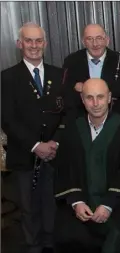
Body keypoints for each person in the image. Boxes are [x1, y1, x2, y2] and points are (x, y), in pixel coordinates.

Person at [1, 22, 68, 253]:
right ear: (20, 44)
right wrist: (35, 145)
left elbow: (67, 113)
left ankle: (51, 243)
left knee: (52, 202)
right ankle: (33, 246)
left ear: (45, 44)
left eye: (38, 40)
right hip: (25, 154)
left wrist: (55, 142)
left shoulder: (59, 74)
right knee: (28, 206)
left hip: (55, 154)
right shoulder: (7, 77)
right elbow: (7, 119)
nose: (34, 45)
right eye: (28, 41)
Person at [53, 78, 120, 253]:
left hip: (116, 204)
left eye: (100, 97)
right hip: (81, 203)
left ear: (109, 98)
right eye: (89, 98)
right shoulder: (73, 129)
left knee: (117, 237)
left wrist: (107, 205)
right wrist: (76, 202)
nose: (96, 103)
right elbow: (65, 170)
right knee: (65, 235)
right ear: (82, 100)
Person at [62, 24, 120, 118]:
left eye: (99, 38)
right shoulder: (71, 61)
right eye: (89, 39)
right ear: (83, 42)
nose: (95, 44)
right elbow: (66, 92)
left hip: (114, 117)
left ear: (107, 40)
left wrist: (85, 88)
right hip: (81, 118)